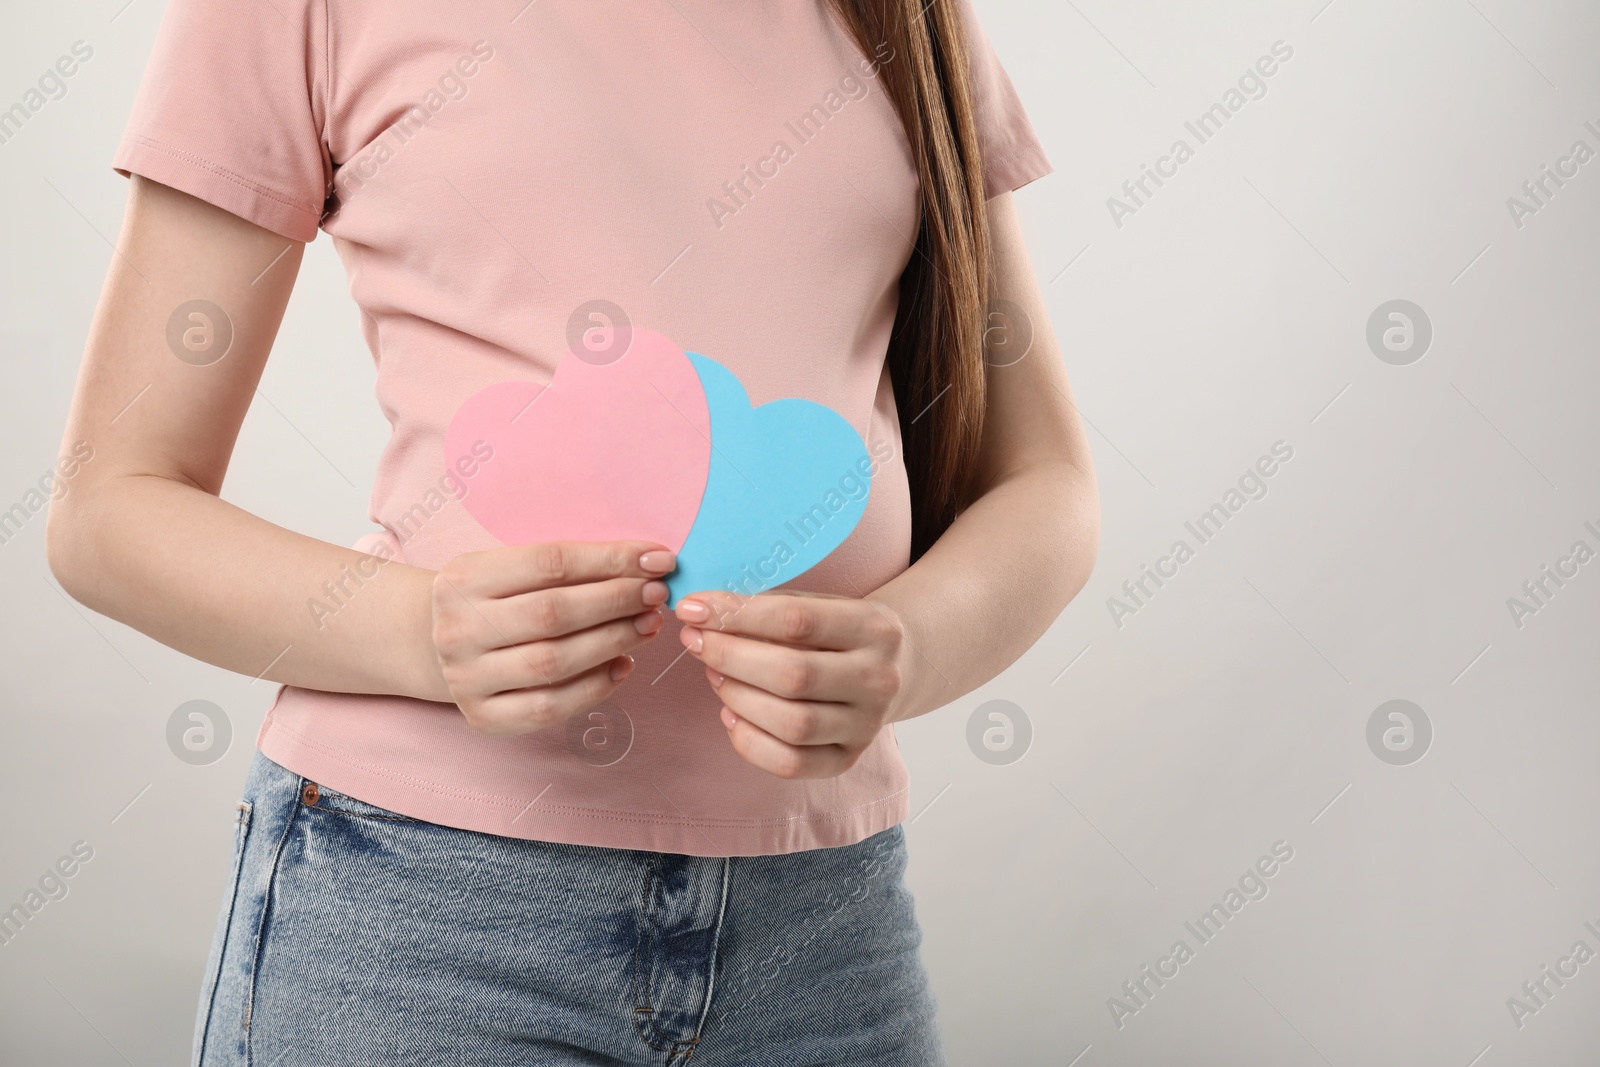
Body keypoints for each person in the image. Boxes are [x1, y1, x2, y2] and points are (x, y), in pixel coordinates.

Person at [47, 0, 1098, 1063]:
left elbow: (1045, 478)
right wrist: (423, 629)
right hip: (419, 915)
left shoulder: (911, 17)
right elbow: (109, 505)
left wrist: (908, 647)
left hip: (822, 925)